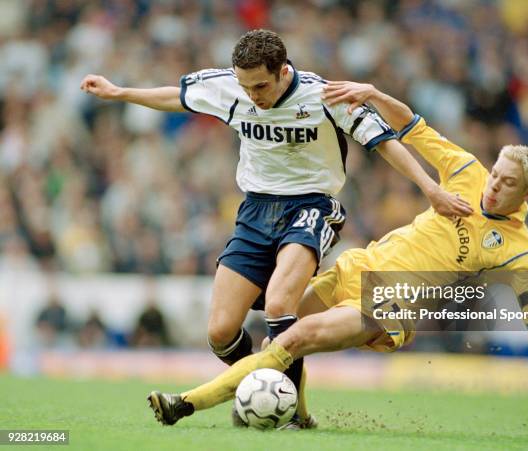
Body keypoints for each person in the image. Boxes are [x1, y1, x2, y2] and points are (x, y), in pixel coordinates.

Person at [81, 29, 472, 427]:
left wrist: (431, 189)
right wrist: (120, 92)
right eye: (245, 86)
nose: (253, 95)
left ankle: (294, 414)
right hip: (254, 212)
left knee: (280, 306)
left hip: (311, 207)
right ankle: (262, 392)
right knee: (220, 331)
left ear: (284, 71)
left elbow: (385, 141)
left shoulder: (324, 96)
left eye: (261, 86)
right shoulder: (229, 87)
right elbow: (177, 97)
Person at [146, 81, 528, 428]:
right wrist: (374, 94)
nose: (493, 186)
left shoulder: (519, 247)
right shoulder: (468, 171)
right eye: (495, 175)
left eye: (507, 183)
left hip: (392, 303)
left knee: (293, 338)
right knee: (280, 329)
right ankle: (300, 420)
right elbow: (414, 127)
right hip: (358, 266)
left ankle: (186, 403)